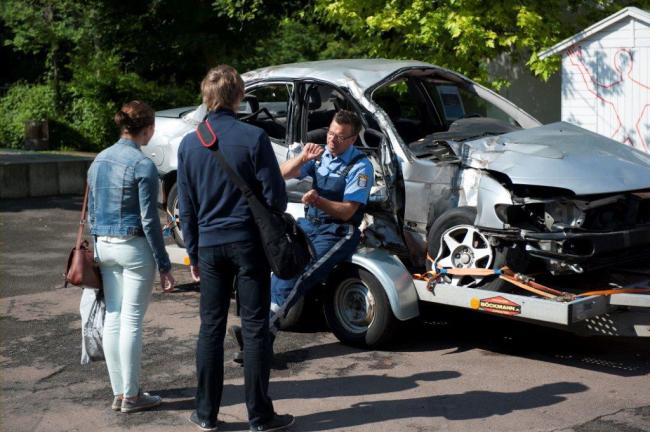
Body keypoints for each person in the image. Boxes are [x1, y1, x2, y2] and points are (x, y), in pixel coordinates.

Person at [177, 65, 294, 432]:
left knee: (210, 328)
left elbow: (187, 207)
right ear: (239, 96)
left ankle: (206, 414)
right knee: (256, 326)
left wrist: (192, 254)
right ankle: (260, 416)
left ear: (206, 97)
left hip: (209, 246)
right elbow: (276, 198)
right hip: (248, 243)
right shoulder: (253, 137)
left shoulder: (189, 143)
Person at [230, 109, 374, 359]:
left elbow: (348, 211)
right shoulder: (320, 155)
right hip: (310, 223)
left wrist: (319, 202)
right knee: (280, 262)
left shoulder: (360, 166)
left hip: (337, 230)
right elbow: (279, 175)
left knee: (297, 272)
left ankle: (256, 335)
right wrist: (302, 158)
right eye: (330, 133)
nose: (332, 139)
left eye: (340, 137)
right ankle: (261, 341)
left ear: (352, 139)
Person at [87, 100, 176, 413]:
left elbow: (92, 211)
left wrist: (96, 247)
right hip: (133, 247)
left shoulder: (98, 160)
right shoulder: (144, 165)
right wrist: (164, 265)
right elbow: (150, 219)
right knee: (132, 322)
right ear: (148, 129)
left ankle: (119, 392)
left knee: (114, 316)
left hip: (103, 244)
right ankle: (133, 395)